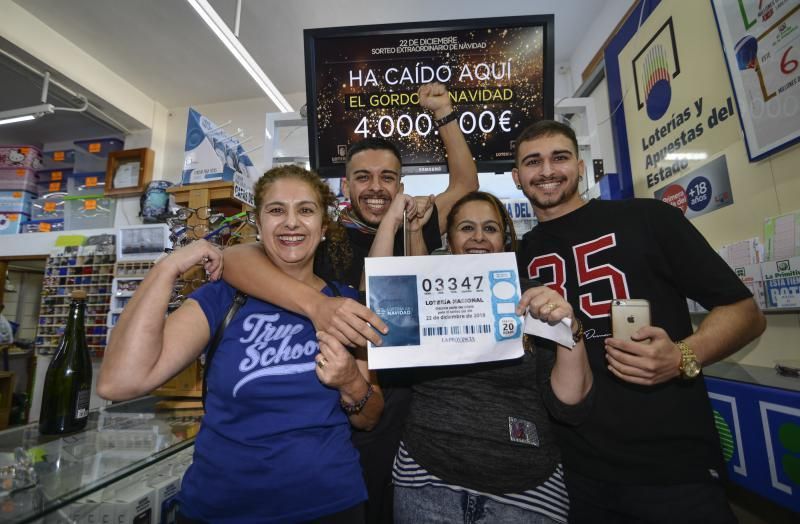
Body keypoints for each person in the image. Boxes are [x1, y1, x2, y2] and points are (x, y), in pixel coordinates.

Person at [222, 82, 479, 523]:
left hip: (405, 399)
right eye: (363, 177)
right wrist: (316, 305)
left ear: (401, 184)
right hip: (331, 395)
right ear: (345, 184)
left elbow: (466, 185)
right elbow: (234, 259)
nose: (376, 188)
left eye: (387, 177)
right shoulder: (320, 231)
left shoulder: (412, 220)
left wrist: (445, 114)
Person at [511, 119, 767, 523]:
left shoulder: (648, 219)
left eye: (559, 158)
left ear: (580, 166)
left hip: (672, 467)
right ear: (516, 177)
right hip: (576, 472)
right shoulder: (519, 258)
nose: (546, 171)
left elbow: (745, 313)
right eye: (532, 162)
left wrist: (682, 354)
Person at [98, 165, 383, 523]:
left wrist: (350, 383)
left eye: (306, 210)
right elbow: (119, 381)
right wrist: (166, 269)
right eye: (276, 210)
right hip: (222, 507)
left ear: (323, 228)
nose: (291, 222)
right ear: (259, 226)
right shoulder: (223, 298)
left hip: (329, 506)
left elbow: (370, 418)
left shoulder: (346, 304)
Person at [368, 190, 593, 523]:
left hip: (525, 489)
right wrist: (393, 223)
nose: (478, 237)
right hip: (426, 477)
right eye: (466, 228)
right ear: (449, 238)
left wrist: (568, 328)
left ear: (504, 238)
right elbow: (380, 294)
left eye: (489, 228)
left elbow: (569, 402)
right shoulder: (424, 289)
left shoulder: (532, 298)